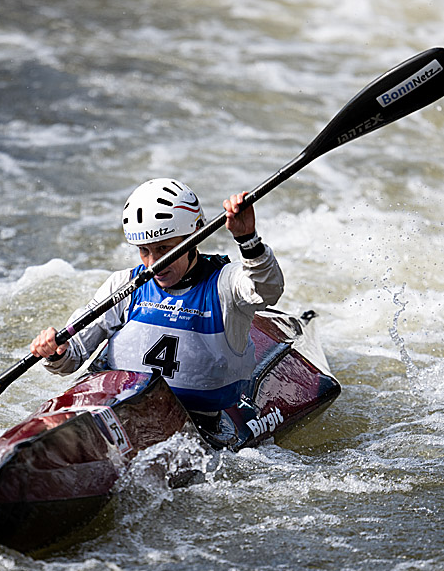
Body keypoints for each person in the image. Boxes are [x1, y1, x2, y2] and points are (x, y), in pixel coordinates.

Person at [29, 178, 284, 442]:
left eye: (164, 248)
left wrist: (247, 239)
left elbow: (267, 291)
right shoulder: (123, 285)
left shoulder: (225, 284)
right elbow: (72, 356)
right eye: (144, 251)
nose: (154, 264)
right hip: (119, 416)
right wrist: (56, 352)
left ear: (194, 236)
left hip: (196, 427)